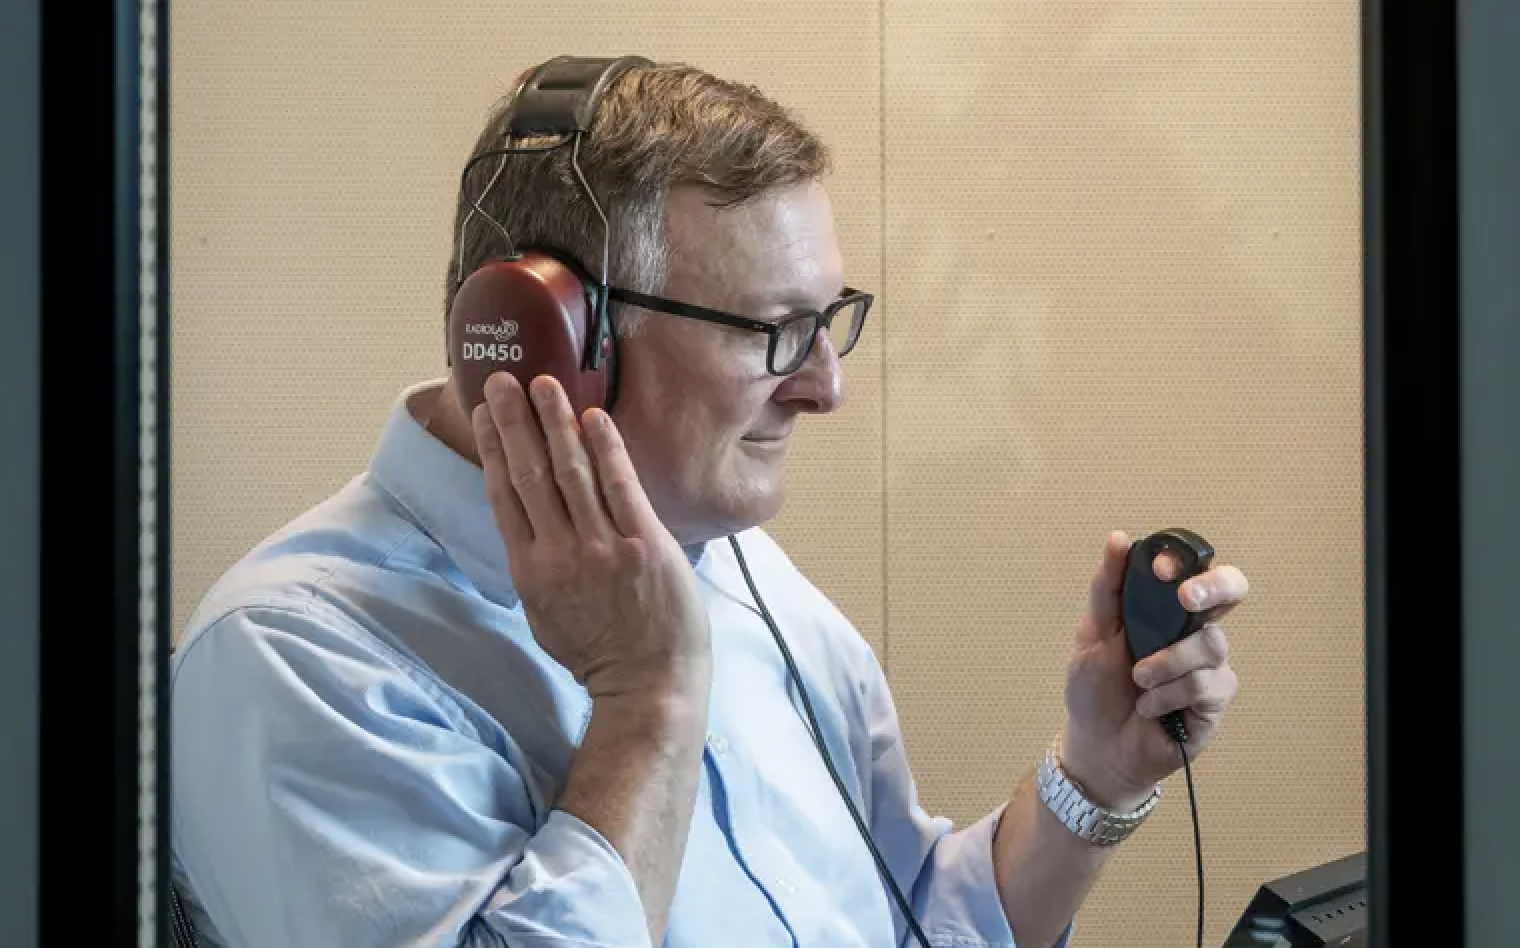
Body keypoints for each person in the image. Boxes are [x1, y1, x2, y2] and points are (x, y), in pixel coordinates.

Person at [170, 59, 1248, 948]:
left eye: (831, 320)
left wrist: (1095, 779)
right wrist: (647, 703)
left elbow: (908, 917)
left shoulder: (731, 562)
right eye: (773, 329)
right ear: (553, 340)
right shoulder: (289, 661)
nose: (826, 384)